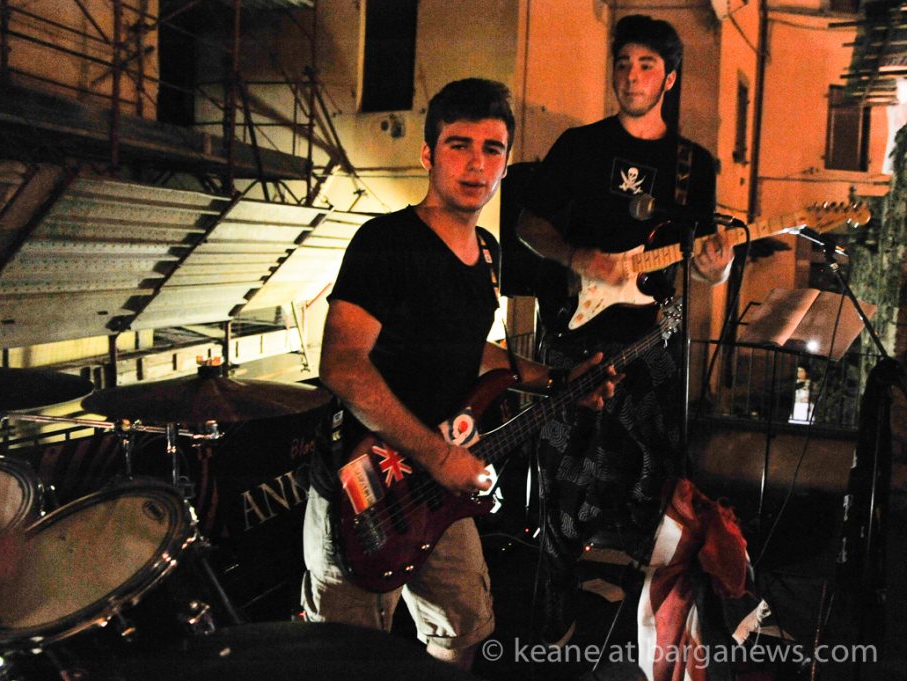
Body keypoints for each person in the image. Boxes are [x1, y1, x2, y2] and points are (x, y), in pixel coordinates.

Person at [301, 78, 619, 670]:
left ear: (505, 162)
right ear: (429, 154)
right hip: (366, 488)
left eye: (492, 149)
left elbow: (472, 351)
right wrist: (437, 454)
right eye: (459, 145)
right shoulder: (386, 242)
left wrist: (559, 381)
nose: (477, 163)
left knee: (463, 632)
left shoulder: (489, 253)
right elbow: (342, 364)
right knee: (349, 658)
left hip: (441, 487)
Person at [515, 15, 735, 646]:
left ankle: (646, 624)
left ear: (669, 78)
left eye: (646, 65)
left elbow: (706, 262)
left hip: (651, 347)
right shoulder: (580, 146)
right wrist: (581, 257)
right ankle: (556, 610)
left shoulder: (693, 165)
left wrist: (717, 269)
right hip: (574, 341)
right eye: (623, 64)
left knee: (649, 481)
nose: (631, 76)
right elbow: (529, 225)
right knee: (564, 476)